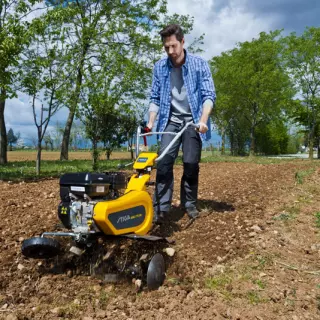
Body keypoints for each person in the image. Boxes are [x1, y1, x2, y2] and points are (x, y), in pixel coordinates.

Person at [146, 24, 216, 225]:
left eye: (174, 46)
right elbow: (155, 97)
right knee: (164, 161)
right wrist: (151, 121)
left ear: (183, 42)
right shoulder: (160, 67)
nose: (170, 51)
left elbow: (208, 95)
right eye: (166, 47)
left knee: (191, 163)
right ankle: (161, 206)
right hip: (171, 120)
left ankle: (189, 203)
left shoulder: (199, 64)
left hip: (194, 121)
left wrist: (203, 120)